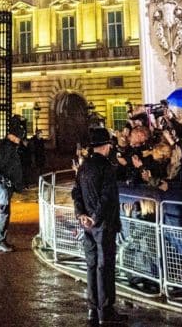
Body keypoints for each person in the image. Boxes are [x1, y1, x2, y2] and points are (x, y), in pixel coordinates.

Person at [73, 127, 126, 326]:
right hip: (102, 223)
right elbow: (106, 198)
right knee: (105, 266)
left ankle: (92, 308)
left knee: (92, 264)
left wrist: (81, 215)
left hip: (87, 223)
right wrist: (95, 217)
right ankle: (106, 309)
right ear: (106, 147)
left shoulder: (84, 166)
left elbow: (76, 192)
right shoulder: (107, 167)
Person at [0, 121, 24, 252]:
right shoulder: (6, 147)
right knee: (3, 212)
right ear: (12, 136)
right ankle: (0, 241)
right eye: (18, 136)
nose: (19, 139)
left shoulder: (8, 146)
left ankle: (2, 240)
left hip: (4, 183)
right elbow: (0, 164)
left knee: (4, 212)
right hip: (3, 183)